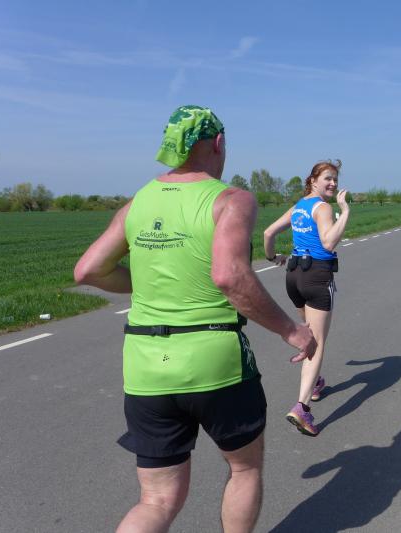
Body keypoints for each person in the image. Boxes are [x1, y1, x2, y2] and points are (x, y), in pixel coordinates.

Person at [74, 105, 316, 533]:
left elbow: (88, 270)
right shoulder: (231, 199)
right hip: (214, 360)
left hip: (146, 365)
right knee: (244, 469)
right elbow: (230, 276)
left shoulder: (139, 201)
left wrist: (148, 284)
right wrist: (291, 330)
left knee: (156, 500)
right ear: (218, 143)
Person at [263, 160, 350, 437]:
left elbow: (268, 233)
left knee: (309, 332)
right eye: (328, 178)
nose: (333, 183)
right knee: (316, 343)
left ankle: (315, 383)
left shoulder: (299, 206)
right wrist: (345, 212)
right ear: (313, 180)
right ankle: (301, 407)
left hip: (294, 276)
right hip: (317, 277)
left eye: (335, 179)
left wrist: (271, 257)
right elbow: (328, 242)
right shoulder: (323, 208)